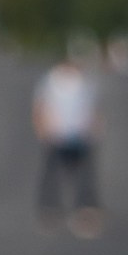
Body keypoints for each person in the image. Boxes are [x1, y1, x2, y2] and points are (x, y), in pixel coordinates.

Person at [34, 43, 103, 237]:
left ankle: (85, 210)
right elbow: (40, 105)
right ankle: (49, 208)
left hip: (79, 134)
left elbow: (93, 106)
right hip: (56, 133)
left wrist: (94, 127)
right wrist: (42, 127)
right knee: (51, 174)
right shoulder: (50, 80)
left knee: (84, 175)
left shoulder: (85, 81)